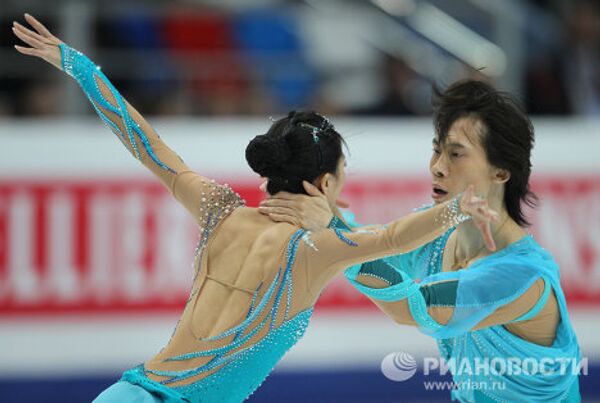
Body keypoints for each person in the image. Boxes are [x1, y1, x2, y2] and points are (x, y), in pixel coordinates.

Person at [12, 15, 499, 403]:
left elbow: (146, 144)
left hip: (126, 393)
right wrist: (463, 206)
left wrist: (80, 66)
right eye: (340, 179)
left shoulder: (219, 207)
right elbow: (394, 240)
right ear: (325, 182)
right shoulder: (317, 251)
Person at [259, 80, 583, 402]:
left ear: (501, 172)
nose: (438, 168)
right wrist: (324, 205)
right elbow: (375, 247)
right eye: (436, 149)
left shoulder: (521, 275)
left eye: (456, 154)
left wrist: (330, 227)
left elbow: (415, 308)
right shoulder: (441, 234)